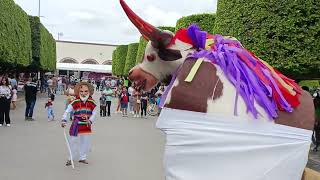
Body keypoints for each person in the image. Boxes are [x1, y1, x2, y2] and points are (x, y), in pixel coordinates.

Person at [61, 82, 98, 166]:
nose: (83, 93)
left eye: (85, 91)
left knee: (85, 142)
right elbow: (67, 111)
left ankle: (82, 158)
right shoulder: (75, 101)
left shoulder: (92, 102)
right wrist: (64, 120)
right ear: (78, 92)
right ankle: (70, 158)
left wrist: (90, 120)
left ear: (89, 92)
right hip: (76, 124)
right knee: (73, 141)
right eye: (81, 91)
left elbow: (94, 113)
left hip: (86, 125)